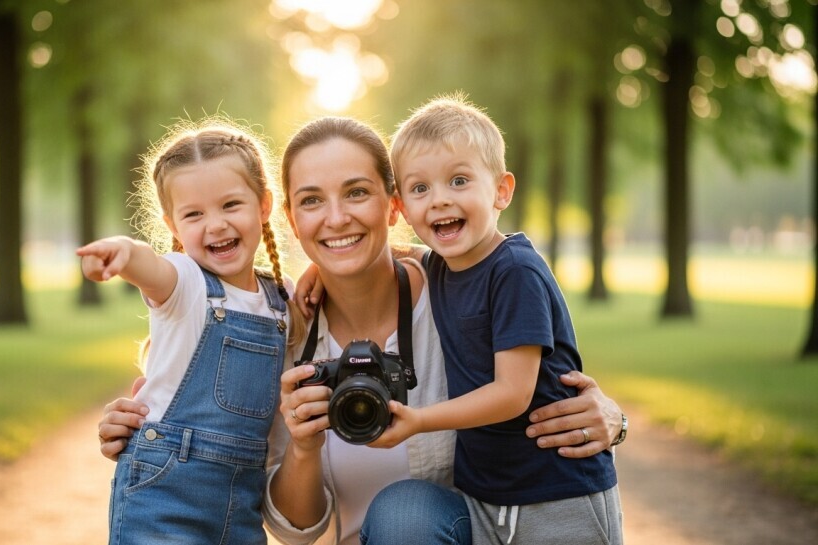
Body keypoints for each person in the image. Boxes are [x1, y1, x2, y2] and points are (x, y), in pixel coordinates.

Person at [98, 116, 627, 545]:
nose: (335, 218)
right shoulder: (277, 336)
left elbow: (538, 370)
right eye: (311, 200)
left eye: (356, 193)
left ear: (393, 204)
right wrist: (301, 447)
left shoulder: (454, 292)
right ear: (286, 216)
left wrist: (612, 417)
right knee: (404, 516)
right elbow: (292, 531)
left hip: (485, 531)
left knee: (408, 513)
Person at [365, 94, 622, 544]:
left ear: (501, 190)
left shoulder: (514, 271)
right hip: (486, 495)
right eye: (420, 189)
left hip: (556, 488)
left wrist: (420, 419)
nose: (439, 200)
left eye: (459, 180)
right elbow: (401, 252)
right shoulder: (442, 266)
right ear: (402, 208)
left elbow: (512, 393)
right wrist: (314, 271)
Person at [78, 119, 304, 545]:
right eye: (194, 214)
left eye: (230, 205)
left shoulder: (282, 299)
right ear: (173, 226)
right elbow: (149, 265)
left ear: (264, 205)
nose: (214, 225)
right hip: (165, 496)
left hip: (241, 503)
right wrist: (122, 253)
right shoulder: (185, 282)